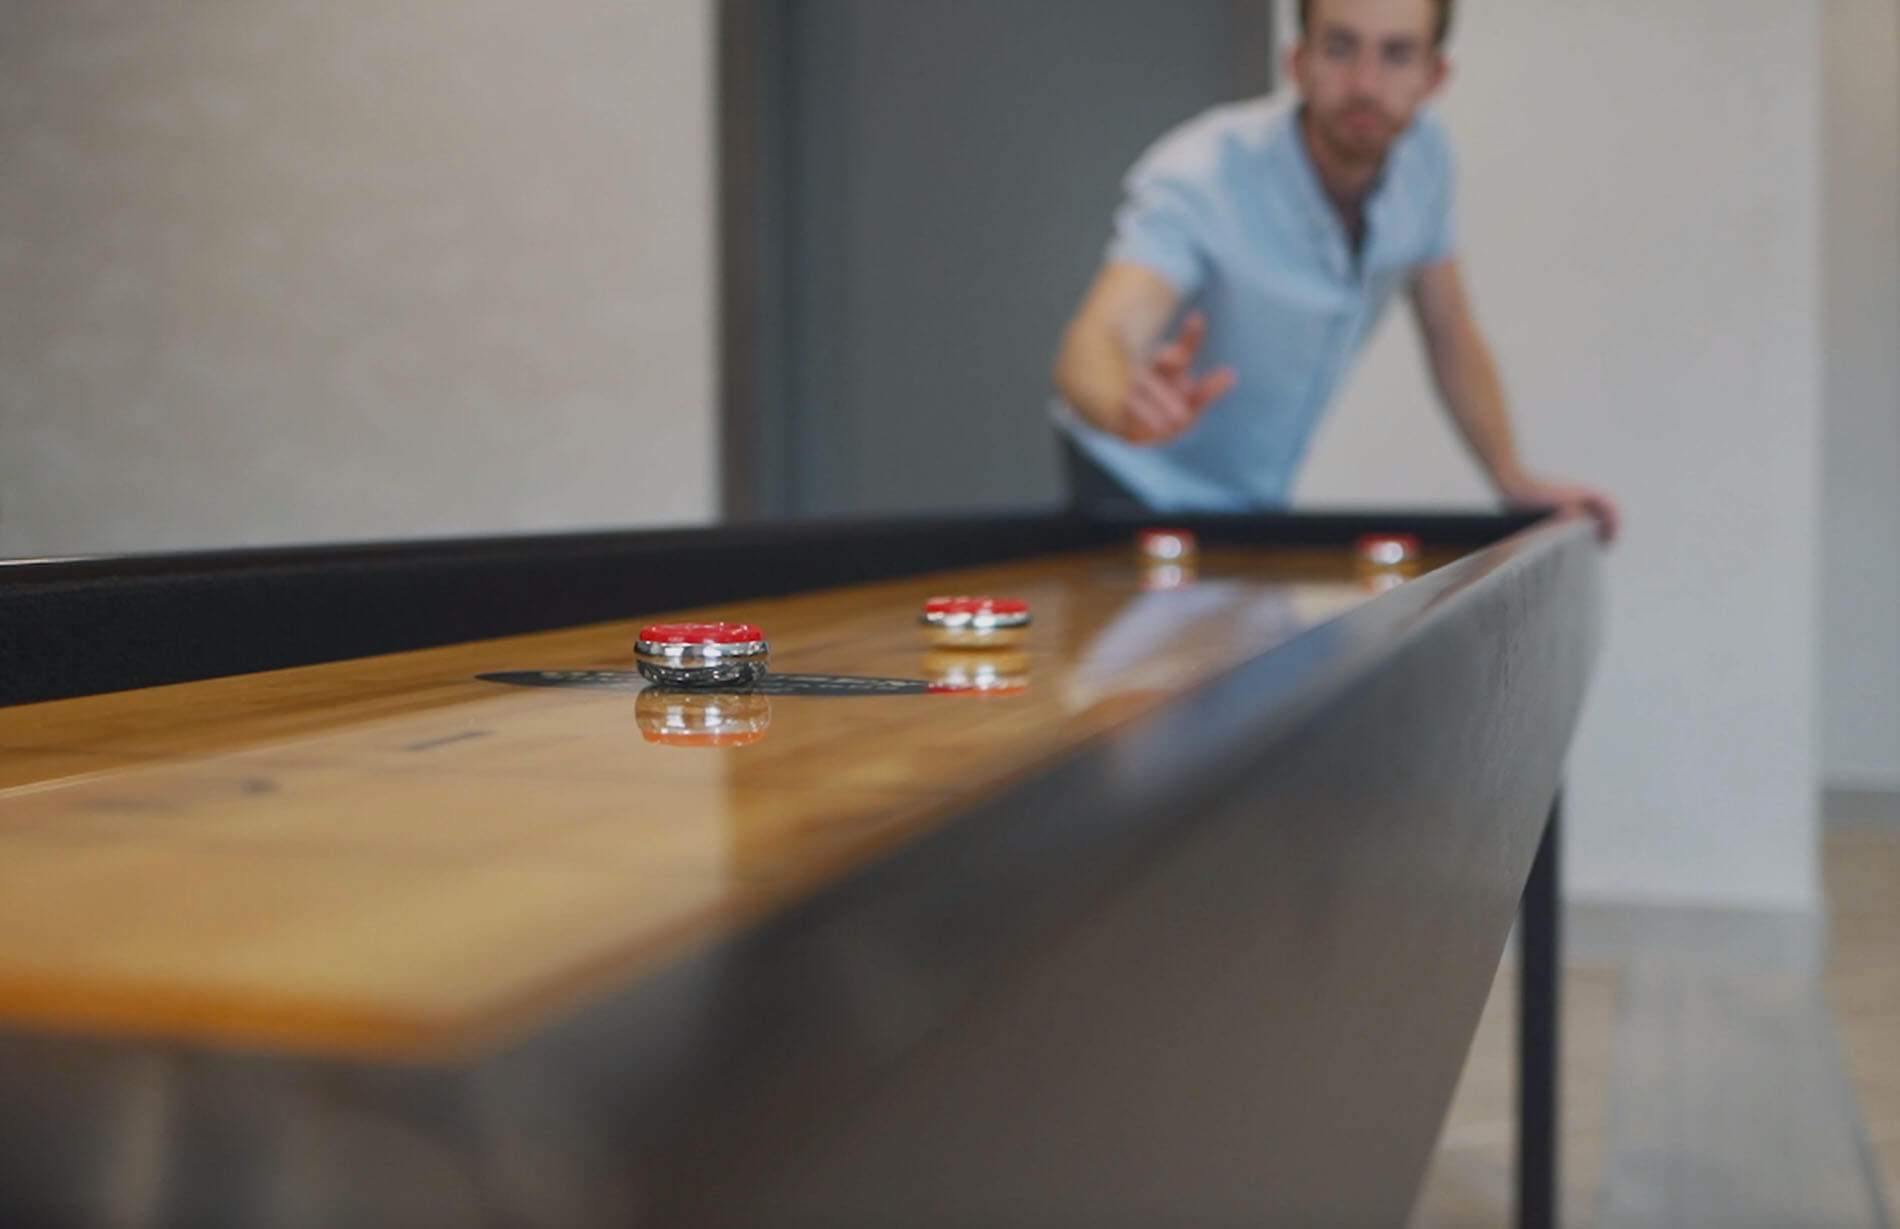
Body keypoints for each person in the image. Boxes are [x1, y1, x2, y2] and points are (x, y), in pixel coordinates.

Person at [1051, 0, 1619, 539]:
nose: (1366, 85)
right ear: (1298, 62)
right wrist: (1124, 400)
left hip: (1255, 507)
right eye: (1341, 48)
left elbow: (1451, 334)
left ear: (1434, 76)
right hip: (1135, 486)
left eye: (1396, 54)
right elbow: (1099, 337)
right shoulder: (1204, 172)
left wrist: (1513, 479)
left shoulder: (1428, 162)